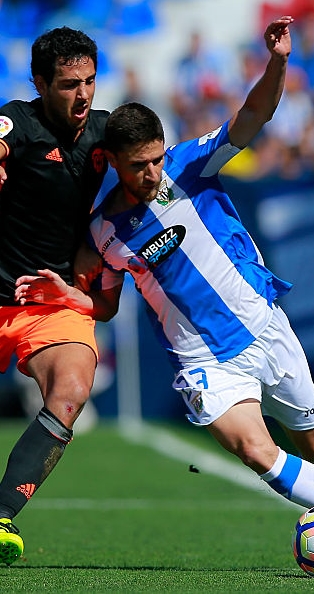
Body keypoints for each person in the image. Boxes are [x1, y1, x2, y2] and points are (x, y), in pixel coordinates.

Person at [15, 17, 314, 573]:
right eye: (138, 166)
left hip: (263, 325)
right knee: (256, 450)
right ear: (114, 165)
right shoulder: (103, 234)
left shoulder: (191, 165)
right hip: (203, 360)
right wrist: (67, 294)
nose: (153, 173)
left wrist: (277, 62)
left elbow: (254, 115)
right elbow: (105, 306)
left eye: (157, 159)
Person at [0, 26, 109, 565]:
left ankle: (1, 515)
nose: (82, 94)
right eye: (68, 84)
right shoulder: (17, 121)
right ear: (40, 84)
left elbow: (155, 171)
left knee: (71, 390)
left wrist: (98, 242)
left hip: (49, 301)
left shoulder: (107, 133)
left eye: (89, 81)